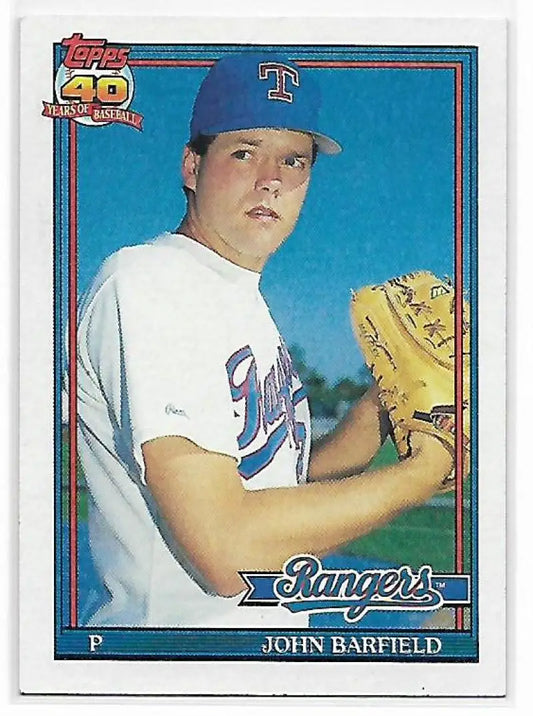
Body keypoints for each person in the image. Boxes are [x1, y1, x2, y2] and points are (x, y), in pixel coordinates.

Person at [75, 53, 452, 628]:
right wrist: (425, 471)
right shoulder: (150, 283)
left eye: (293, 160)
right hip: (173, 670)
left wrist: (375, 416)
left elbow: (277, 489)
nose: (271, 179)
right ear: (192, 166)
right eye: (245, 151)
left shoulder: (243, 304)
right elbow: (226, 551)